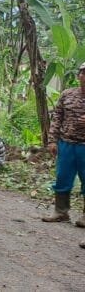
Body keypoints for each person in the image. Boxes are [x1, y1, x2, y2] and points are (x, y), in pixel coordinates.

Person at [42, 63, 85, 246]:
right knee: (62, 177)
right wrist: (52, 141)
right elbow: (57, 118)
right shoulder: (67, 94)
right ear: (78, 76)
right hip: (66, 144)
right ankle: (61, 212)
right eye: (83, 73)